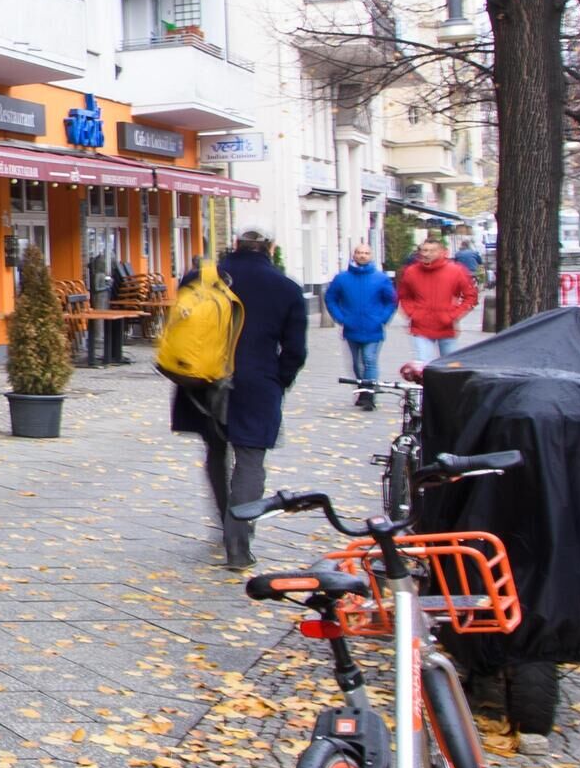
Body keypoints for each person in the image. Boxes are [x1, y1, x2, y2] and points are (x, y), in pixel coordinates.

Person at [170, 233, 309, 569]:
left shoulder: (199, 277)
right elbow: (295, 351)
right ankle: (238, 544)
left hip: (201, 379)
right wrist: (279, 381)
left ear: (233, 243)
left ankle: (225, 521)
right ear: (271, 249)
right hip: (256, 382)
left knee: (216, 452)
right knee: (250, 460)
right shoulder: (285, 287)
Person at [322, 244, 398, 405]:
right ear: (354, 255)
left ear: (371, 256)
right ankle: (362, 389)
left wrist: (382, 318)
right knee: (356, 363)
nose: (362, 255)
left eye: (366, 253)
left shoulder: (381, 278)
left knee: (369, 359)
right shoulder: (342, 278)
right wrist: (340, 317)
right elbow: (331, 298)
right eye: (359, 253)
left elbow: (391, 301)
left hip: (373, 327)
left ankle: (369, 394)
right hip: (352, 327)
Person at [395, 235, 480, 365]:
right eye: (423, 250)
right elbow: (404, 295)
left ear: (441, 252)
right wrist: (413, 313)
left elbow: (471, 296)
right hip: (421, 326)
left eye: (431, 251)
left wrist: (453, 315)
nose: (426, 254)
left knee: (450, 367)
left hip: (446, 325)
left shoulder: (456, 271)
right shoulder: (411, 272)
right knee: (423, 366)